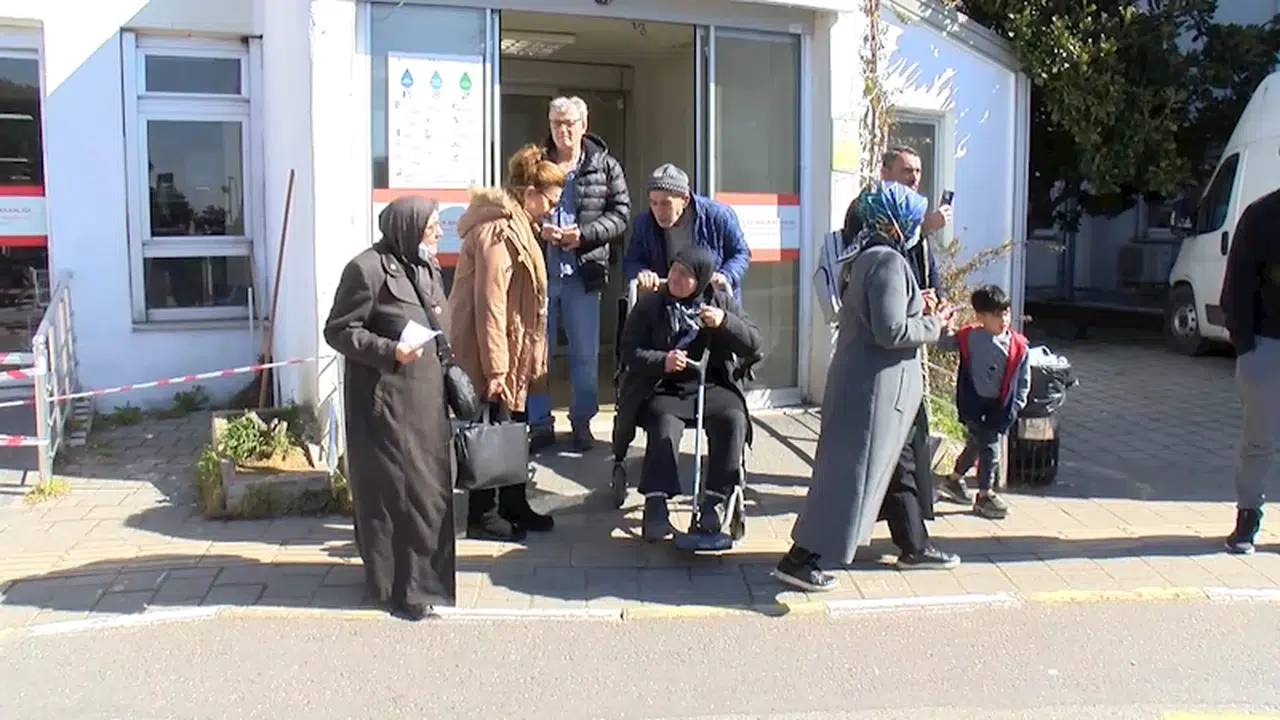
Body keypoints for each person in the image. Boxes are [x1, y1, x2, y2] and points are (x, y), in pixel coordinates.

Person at [775, 181, 960, 592]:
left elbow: (886, 313)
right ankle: (800, 559)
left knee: (891, 469)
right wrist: (935, 324)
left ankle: (914, 544)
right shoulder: (887, 261)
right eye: (913, 219)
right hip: (872, 395)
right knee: (847, 479)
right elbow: (891, 331)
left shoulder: (871, 255)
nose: (916, 227)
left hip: (874, 392)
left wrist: (919, 305)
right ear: (896, 222)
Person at [323, 195, 454, 621]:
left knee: (430, 492)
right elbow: (339, 330)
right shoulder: (365, 269)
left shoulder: (425, 265)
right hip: (386, 403)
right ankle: (403, 589)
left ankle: (424, 582)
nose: (438, 232)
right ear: (408, 227)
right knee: (400, 494)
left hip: (426, 401)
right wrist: (389, 350)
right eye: (431, 226)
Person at [448, 144, 564, 542]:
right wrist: (496, 368)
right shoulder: (498, 232)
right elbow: (490, 302)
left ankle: (514, 503)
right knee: (491, 427)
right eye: (550, 201)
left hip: (512, 344)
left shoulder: (519, 225)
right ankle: (483, 515)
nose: (551, 210)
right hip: (492, 349)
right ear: (530, 192)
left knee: (513, 425)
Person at [613, 246, 763, 541]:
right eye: (673, 271)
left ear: (701, 280)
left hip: (712, 384)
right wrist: (663, 361)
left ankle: (716, 498)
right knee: (663, 422)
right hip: (665, 386)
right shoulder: (652, 304)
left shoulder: (720, 301)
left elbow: (754, 343)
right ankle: (656, 501)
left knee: (733, 418)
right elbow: (629, 350)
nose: (675, 278)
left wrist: (725, 322)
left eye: (685, 275)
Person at [526, 96, 632, 454]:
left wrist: (583, 235)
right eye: (556, 123)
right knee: (536, 352)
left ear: (584, 125)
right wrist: (537, 228)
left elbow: (621, 215)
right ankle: (539, 423)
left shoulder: (605, 166)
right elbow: (516, 206)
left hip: (583, 272)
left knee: (584, 355)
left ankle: (582, 422)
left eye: (569, 123)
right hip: (539, 273)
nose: (563, 130)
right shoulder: (535, 163)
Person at [934, 284, 1031, 519]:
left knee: (977, 445)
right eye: (995, 315)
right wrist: (943, 324)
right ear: (980, 317)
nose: (1003, 319)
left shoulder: (1018, 346)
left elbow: (1023, 380)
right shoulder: (970, 337)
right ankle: (985, 494)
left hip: (1001, 406)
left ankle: (954, 480)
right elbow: (944, 343)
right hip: (975, 403)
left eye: (1006, 313)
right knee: (989, 447)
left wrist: (1017, 403)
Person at [1220, 187, 1280, 554]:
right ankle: (1248, 516)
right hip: (1267, 344)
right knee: (1259, 440)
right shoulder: (1262, 215)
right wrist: (1246, 345)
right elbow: (1237, 284)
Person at [623, 163, 751, 299]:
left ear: (685, 200)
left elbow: (741, 253)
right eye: (654, 203)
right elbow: (633, 260)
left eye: (666, 204)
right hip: (665, 301)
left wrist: (726, 275)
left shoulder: (717, 215)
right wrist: (643, 273)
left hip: (711, 299)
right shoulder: (644, 223)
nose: (659, 212)